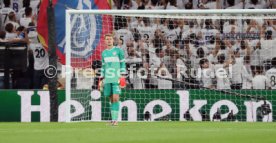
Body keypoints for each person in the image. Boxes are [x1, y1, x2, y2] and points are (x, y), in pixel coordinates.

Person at [99, 33, 126, 126]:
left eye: (110, 39)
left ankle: (115, 121)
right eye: (107, 39)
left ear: (113, 40)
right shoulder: (104, 53)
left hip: (116, 78)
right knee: (111, 100)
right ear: (105, 41)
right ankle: (113, 119)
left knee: (115, 98)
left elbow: (123, 63)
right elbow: (103, 66)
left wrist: (122, 75)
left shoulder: (118, 50)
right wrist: (101, 78)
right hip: (107, 79)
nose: (109, 40)